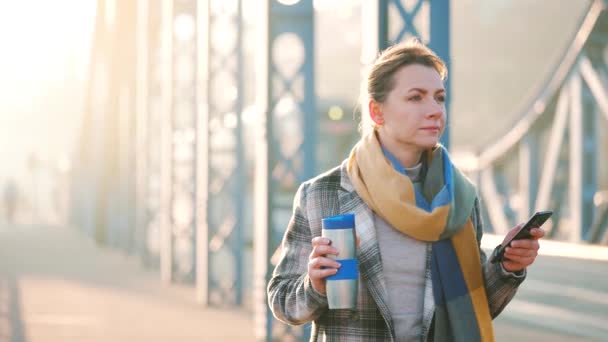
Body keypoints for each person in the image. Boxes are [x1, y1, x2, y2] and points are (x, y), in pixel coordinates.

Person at [267, 40, 545, 342]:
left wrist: (506, 266)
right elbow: (282, 301)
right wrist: (315, 285)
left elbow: (475, 308)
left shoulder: (460, 197)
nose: (434, 111)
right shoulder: (323, 194)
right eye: (416, 98)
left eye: (440, 98)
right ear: (377, 112)